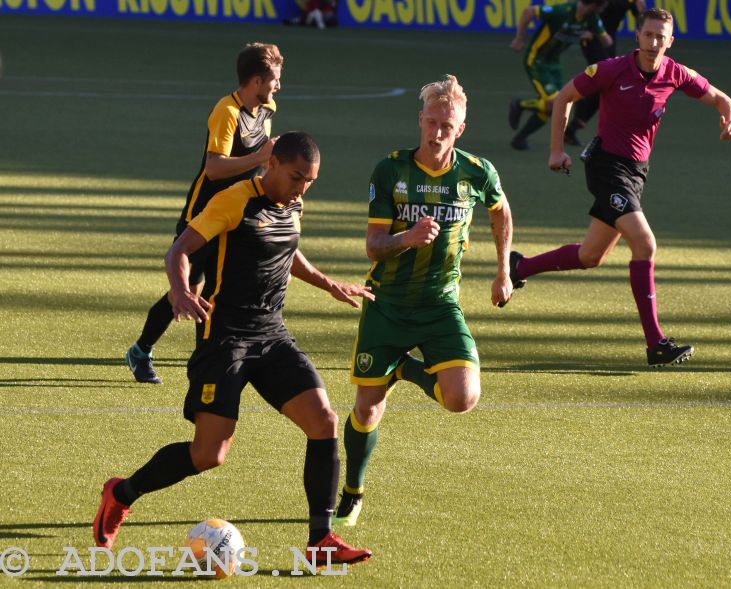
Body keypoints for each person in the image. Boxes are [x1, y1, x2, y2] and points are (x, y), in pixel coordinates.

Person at [94, 132, 373, 565]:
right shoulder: (233, 200)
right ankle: (121, 493)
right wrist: (181, 290)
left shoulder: (292, 203)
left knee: (323, 421)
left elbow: (288, 249)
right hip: (225, 340)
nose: (303, 188)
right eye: (297, 177)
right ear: (272, 164)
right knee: (209, 455)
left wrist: (329, 283)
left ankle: (321, 540)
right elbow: (179, 250)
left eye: (311, 181)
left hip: (273, 335)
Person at [510, 8, 731, 366]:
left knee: (591, 256)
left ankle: (520, 267)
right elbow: (564, 98)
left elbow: (719, 97)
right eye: (647, 35)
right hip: (607, 167)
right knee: (645, 243)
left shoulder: (675, 72)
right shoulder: (611, 68)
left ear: (670, 41)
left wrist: (730, 119)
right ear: (637, 36)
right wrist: (556, 149)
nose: (653, 43)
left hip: (636, 173)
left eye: (660, 37)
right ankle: (656, 344)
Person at [333, 75, 516, 526]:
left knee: (463, 398)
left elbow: (501, 212)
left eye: (447, 126)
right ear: (420, 119)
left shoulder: (477, 172)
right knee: (366, 408)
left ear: (461, 128)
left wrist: (503, 270)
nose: (437, 132)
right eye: (431, 122)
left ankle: (406, 369)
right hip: (387, 302)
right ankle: (353, 491)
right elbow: (374, 246)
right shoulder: (390, 170)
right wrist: (407, 237)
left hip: (439, 305)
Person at [125, 42, 283, 384]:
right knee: (189, 291)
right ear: (256, 80)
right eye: (274, 80)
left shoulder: (266, 108)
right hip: (204, 215)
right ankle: (141, 350)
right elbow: (214, 168)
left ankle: (210, 359)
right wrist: (260, 157)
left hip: (238, 215)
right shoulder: (226, 112)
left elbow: (258, 163)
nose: (278, 87)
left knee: (220, 289)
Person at [508, 0, 612, 151]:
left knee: (555, 106)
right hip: (536, 60)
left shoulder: (591, 19)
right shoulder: (562, 11)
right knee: (555, 102)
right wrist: (519, 38)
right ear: (593, 5)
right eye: (600, 7)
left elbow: (607, 40)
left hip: (554, 64)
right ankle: (519, 105)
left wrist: (590, 34)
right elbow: (529, 11)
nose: (601, 11)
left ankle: (520, 139)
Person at [565, 0, 647, 146]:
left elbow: (640, 19)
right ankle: (578, 108)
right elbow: (582, 6)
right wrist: (582, 27)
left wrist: (641, 11)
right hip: (591, 37)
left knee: (607, 85)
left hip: (609, 39)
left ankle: (573, 127)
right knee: (603, 79)